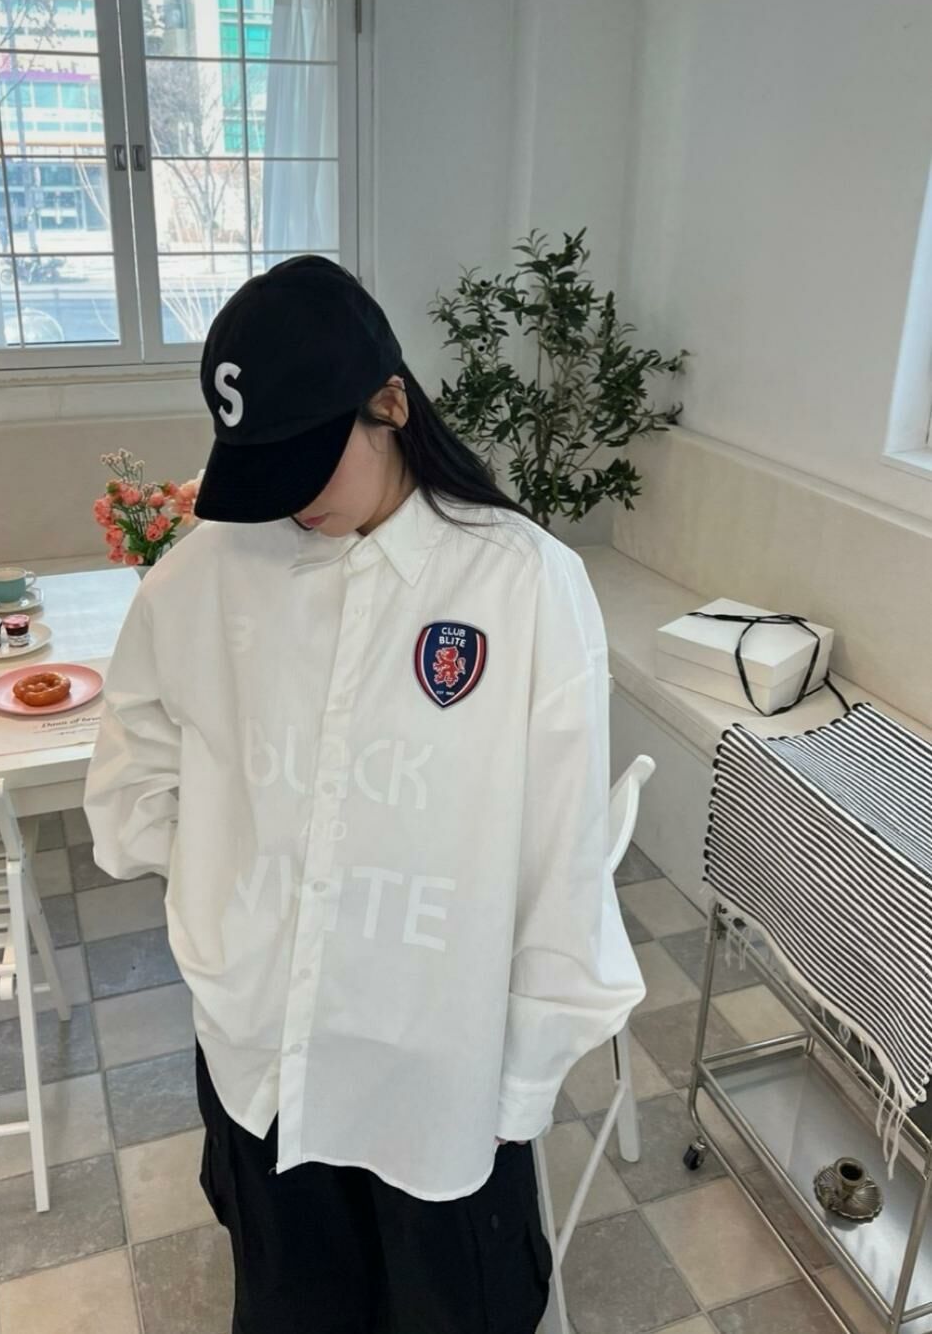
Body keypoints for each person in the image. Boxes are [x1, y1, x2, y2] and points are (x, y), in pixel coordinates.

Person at [83, 254, 645, 1334]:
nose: (290, 501)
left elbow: (558, 857)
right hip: (261, 1055)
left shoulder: (522, 584)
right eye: (262, 469)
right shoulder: (206, 572)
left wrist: (519, 1085)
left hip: (435, 1069)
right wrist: (231, 894)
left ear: (390, 402)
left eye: (306, 462)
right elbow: (132, 784)